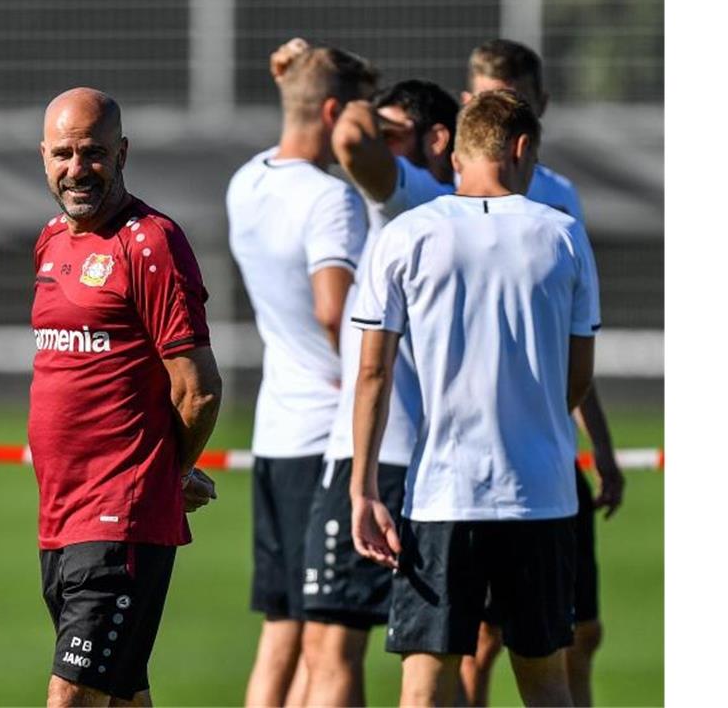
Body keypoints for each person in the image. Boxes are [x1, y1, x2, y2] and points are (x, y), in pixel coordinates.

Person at [350, 90, 601, 706]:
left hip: (442, 495)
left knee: (425, 685)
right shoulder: (563, 234)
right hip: (542, 497)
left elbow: (374, 377)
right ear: (521, 149)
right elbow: (578, 380)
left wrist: (361, 490)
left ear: (457, 153)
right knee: (545, 681)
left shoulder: (407, 234)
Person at [30, 87, 223, 707]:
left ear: (122, 153)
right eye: (63, 153)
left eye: (94, 153)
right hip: (61, 518)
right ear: (43, 156)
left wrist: (169, 472)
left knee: (72, 698)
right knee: (121, 697)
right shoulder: (51, 242)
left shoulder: (150, 243)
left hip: (119, 516)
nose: (77, 168)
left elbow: (197, 390)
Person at [457, 38, 624, 708]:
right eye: (481, 98)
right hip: (469, 461)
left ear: (538, 110)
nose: (494, 109)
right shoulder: (443, 198)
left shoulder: (558, 203)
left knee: (577, 632)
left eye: (510, 99)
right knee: (476, 642)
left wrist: (600, 445)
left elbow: (570, 342)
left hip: (546, 458)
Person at [226, 38, 375, 707]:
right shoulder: (331, 200)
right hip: (326, 434)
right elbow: (331, 309)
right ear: (337, 111)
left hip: (277, 429)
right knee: (328, 645)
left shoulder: (247, 179)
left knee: (281, 632)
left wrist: (293, 77)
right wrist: (369, 379)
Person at [301, 79, 458, 707]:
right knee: (432, 659)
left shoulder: (414, 195)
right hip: (423, 462)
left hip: (384, 458)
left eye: (394, 134)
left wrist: (347, 93)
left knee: (333, 651)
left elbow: (349, 138)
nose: (379, 148)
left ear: (437, 141)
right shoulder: (451, 210)